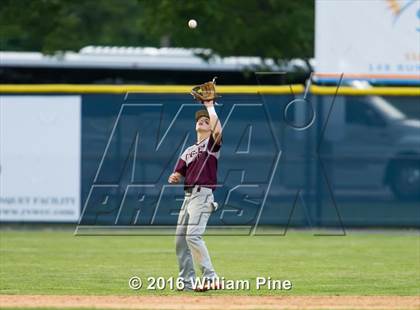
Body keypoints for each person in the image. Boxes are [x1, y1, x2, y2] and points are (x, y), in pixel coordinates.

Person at [168, 99, 222, 292]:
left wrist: (209, 106)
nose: (202, 121)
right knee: (180, 241)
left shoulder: (211, 145)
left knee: (193, 236)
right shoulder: (189, 151)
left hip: (203, 195)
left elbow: (218, 132)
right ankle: (187, 283)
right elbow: (179, 173)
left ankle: (210, 277)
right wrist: (175, 176)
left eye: (206, 121)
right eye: (200, 120)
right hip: (188, 197)